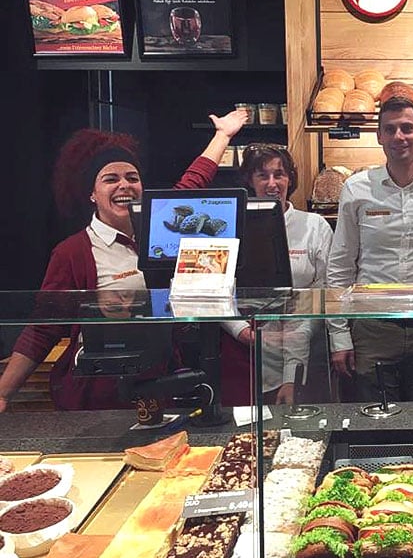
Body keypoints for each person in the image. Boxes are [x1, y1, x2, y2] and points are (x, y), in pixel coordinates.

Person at [0, 110, 250, 412]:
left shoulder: (158, 228)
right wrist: (4, 392)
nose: (124, 185)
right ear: (92, 193)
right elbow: (42, 329)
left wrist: (222, 136)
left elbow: (192, 184)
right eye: (110, 179)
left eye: (132, 178)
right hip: (97, 393)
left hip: (160, 383)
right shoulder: (72, 252)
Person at [326, 97, 413, 403]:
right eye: (389, 129)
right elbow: (340, 265)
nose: (398, 137)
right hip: (372, 327)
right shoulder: (356, 188)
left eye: (407, 128)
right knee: (375, 421)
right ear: (378, 136)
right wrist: (338, 335)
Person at [220, 143, 333, 405]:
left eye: (279, 174)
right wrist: (241, 331)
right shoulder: (230, 225)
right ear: (250, 180)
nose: (272, 183)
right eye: (263, 175)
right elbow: (217, 289)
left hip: (306, 350)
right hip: (245, 354)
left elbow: (322, 294)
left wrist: (293, 365)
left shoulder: (314, 226)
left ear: (290, 178)